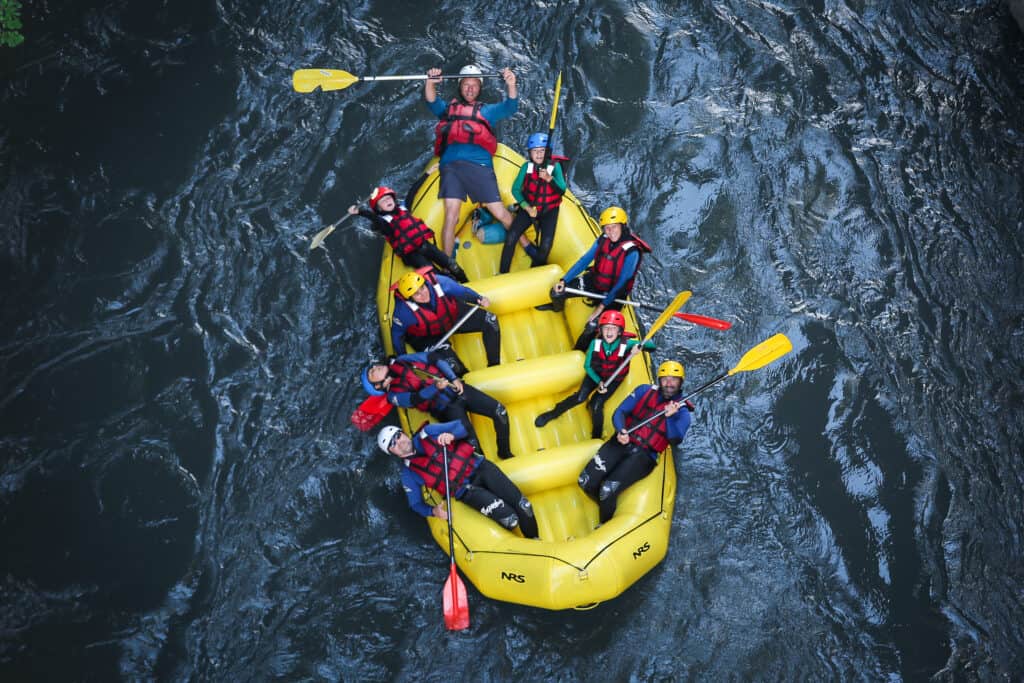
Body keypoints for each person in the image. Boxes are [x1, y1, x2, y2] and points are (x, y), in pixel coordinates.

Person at [377, 421, 538, 538]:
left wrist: (452, 435)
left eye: (398, 436)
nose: (399, 441)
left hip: (481, 468)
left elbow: (461, 427)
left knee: (524, 506)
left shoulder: (429, 432)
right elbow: (415, 504)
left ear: (404, 433)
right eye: (393, 443)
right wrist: (433, 511)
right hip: (466, 490)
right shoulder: (409, 474)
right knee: (510, 520)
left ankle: (535, 541)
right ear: (392, 453)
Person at [578, 360, 692, 524]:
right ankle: (604, 502)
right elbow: (620, 412)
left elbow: (675, 439)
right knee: (584, 481)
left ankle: (605, 523)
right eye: (665, 379)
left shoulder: (682, 413)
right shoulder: (644, 391)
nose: (669, 384)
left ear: (680, 383)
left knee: (607, 489)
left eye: (674, 380)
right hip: (624, 440)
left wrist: (670, 418)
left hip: (645, 456)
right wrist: (621, 430)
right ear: (659, 380)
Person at [424, 64, 519, 256]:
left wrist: (511, 83)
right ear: (460, 86)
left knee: (499, 212)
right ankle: (448, 265)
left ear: (480, 88)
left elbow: (511, 106)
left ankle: (528, 247)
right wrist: (430, 82)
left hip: (479, 165)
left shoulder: (487, 111)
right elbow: (432, 101)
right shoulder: (449, 109)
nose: (470, 89)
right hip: (451, 167)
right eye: (466, 84)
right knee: (451, 215)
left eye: (474, 85)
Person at [362, 350, 515, 460]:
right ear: (377, 386)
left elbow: (432, 357)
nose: (375, 367)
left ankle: (505, 452)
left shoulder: (401, 360)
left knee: (499, 411)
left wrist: (453, 378)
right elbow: (415, 399)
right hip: (446, 409)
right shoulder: (393, 396)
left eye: (373, 367)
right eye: (372, 373)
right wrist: (436, 387)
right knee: (474, 450)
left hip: (457, 390)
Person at [537, 206, 651, 350]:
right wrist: (564, 280)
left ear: (622, 226)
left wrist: (601, 306)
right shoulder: (603, 239)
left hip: (614, 295)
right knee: (557, 292)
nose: (610, 232)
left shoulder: (632, 251)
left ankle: (578, 352)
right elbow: (585, 260)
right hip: (595, 282)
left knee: (591, 327)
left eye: (614, 227)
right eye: (607, 228)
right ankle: (557, 308)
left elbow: (622, 283)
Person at [534, 310, 654, 438]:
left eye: (613, 329)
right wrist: (599, 382)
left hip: (614, 379)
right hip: (595, 375)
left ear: (619, 332)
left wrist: (640, 346)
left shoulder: (627, 344)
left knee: (596, 405)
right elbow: (587, 366)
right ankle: (554, 413)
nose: (608, 332)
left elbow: (652, 346)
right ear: (601, 330)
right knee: (580, 397)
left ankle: (596, 435)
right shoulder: (595, 343)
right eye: (606, 328)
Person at [347, 185, 468, 282]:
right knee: (436, 277)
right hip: (412, 255)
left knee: (452, 265)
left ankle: (467, 282)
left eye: (389, 198)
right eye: (383, 201)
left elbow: (412, 192)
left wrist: (427, 173)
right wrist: (360, 212)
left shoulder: (404, 209)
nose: (388, 200)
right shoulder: (384, 223)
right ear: (379, 209)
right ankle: (451, 286)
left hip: (424, 245)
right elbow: (375, 219)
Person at [390, 269, 502, 369]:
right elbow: (397, 336)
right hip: (428, 336)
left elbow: (462, 291)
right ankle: (465, 382)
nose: (423, 294)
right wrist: (403, 359)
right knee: (453, 366)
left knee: (490, 320)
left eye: (422, 288)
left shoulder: (440, 283)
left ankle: (494, 366)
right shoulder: (403, 312)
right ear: (411, 299)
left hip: (451, 317)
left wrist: (478, 298)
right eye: (416, 294)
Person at [499, 132, 567, 273]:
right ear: (530, 153)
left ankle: (533, 272)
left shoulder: (555, 167)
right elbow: (515, 189)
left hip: (550, 210)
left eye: (542, 151)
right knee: (512, 236)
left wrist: (549, 179)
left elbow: (562, 190)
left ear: (547, 152)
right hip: (531, 206)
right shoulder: (526, 167)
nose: (538, 155)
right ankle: (503, 272)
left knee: (546, 246)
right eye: (535, 151)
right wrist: (526, 207)